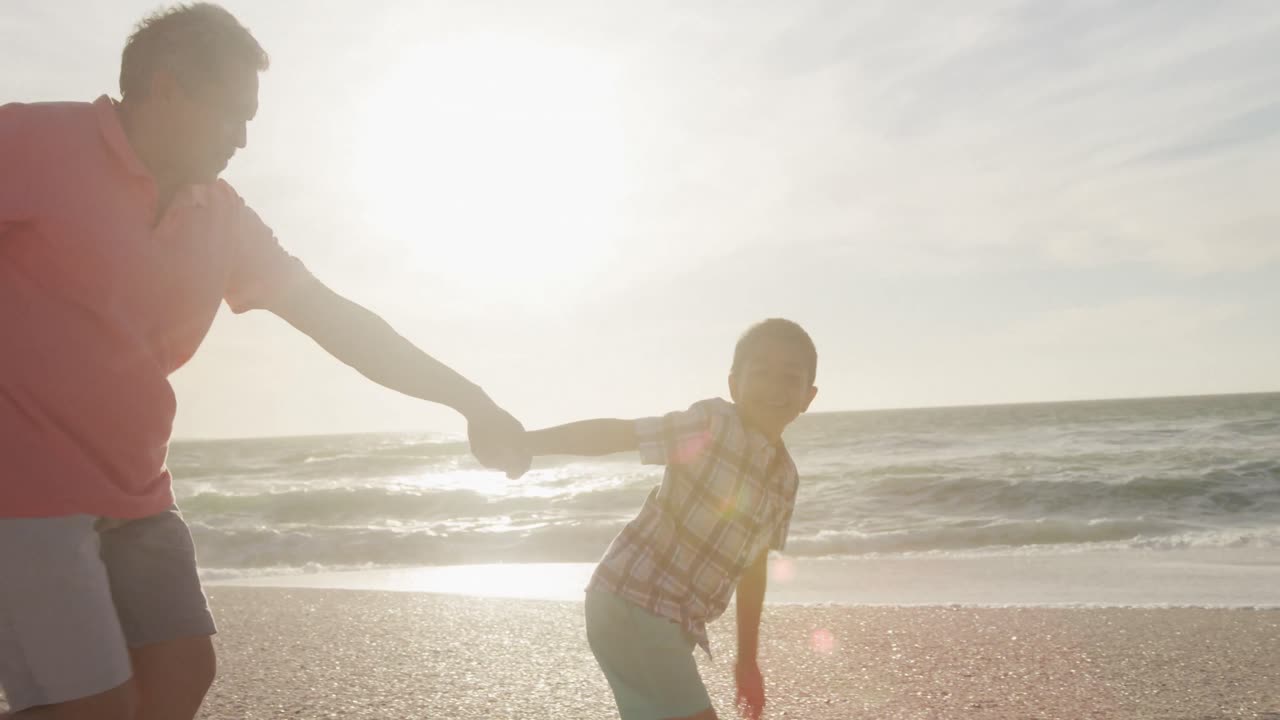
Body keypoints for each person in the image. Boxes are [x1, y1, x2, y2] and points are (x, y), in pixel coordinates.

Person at [0, 4, 529, 718]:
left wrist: (471, 399)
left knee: (183, 668)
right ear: (166, 88)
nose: (244, 139)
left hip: (138, 493)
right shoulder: (33, 141)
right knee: (94, 708)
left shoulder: (221, 216)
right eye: (232, 115)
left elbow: (337, 321)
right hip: (24, 502)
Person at [523, 318, 818, 720]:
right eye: (761, 373)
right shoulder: (711, 425)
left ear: (808, 396)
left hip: (664, 619)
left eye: (790, 378)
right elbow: (622, 435)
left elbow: (753, 568)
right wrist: (529, 443)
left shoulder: (784, 478)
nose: (774, 388)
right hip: (636, 598)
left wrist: (747, 660)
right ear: (734, 385)